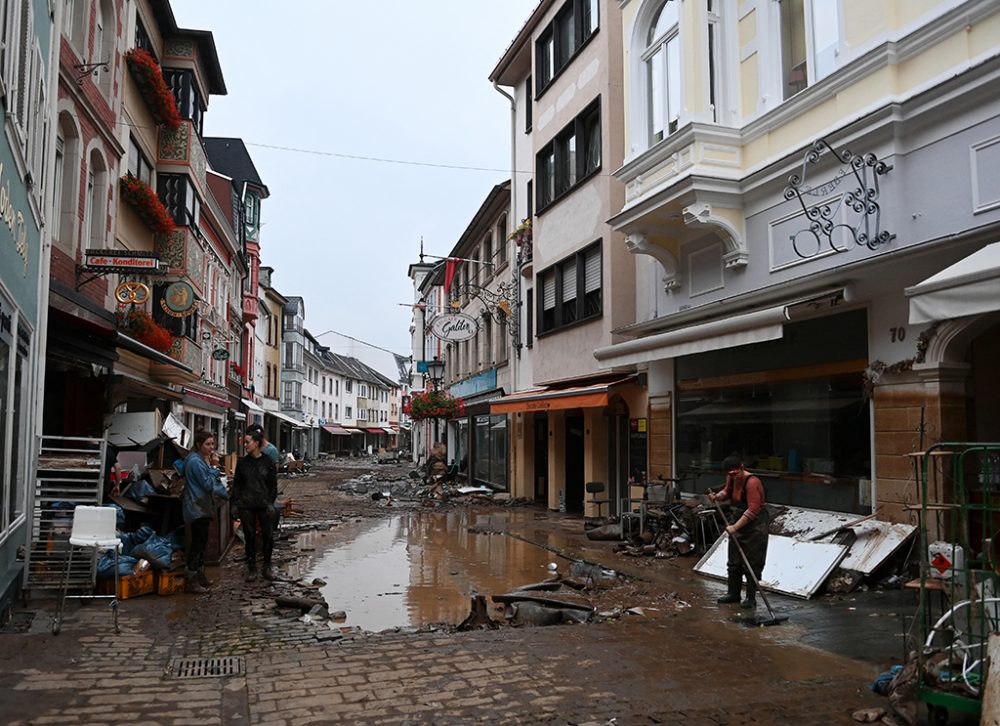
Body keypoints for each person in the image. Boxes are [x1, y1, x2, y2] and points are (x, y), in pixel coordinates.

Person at [708, 453, 769, 609]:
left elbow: (753, 509)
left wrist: (735, 527)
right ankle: (733, 594)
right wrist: (718, 496)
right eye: (730, 474)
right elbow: (727, 491)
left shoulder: (752, 482)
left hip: (755, 527)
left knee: (751, 563)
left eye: (736, 473)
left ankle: (750, 598)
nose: (734, 477)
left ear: (742, 467)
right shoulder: (732, 478)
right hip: (737, 521)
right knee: (734, 562)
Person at [181, 430, 229, 594]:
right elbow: (207, 484)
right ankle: (191, 580)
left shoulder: (200, 460)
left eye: (212, 444)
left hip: (201, 506)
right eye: (208, 444)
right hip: (197, 508)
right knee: (197, 544)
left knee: (201, 544)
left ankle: (200, 575)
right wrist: (215, 466)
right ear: (198, 445)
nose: (211, 448)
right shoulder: (195, 462)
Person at [232, 429, 279, 582]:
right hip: (246, 506)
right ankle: (252, 568)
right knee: (249, 536)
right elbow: (237, 486)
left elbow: (273, 485)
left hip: (264, 505)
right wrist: (235, 504)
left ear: (256, 443)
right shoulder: (242, 464)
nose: (245, 445)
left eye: (247, 442)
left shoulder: (268, 462)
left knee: (268, 536)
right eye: (245, 442)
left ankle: (267, 566)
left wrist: (271, 503)